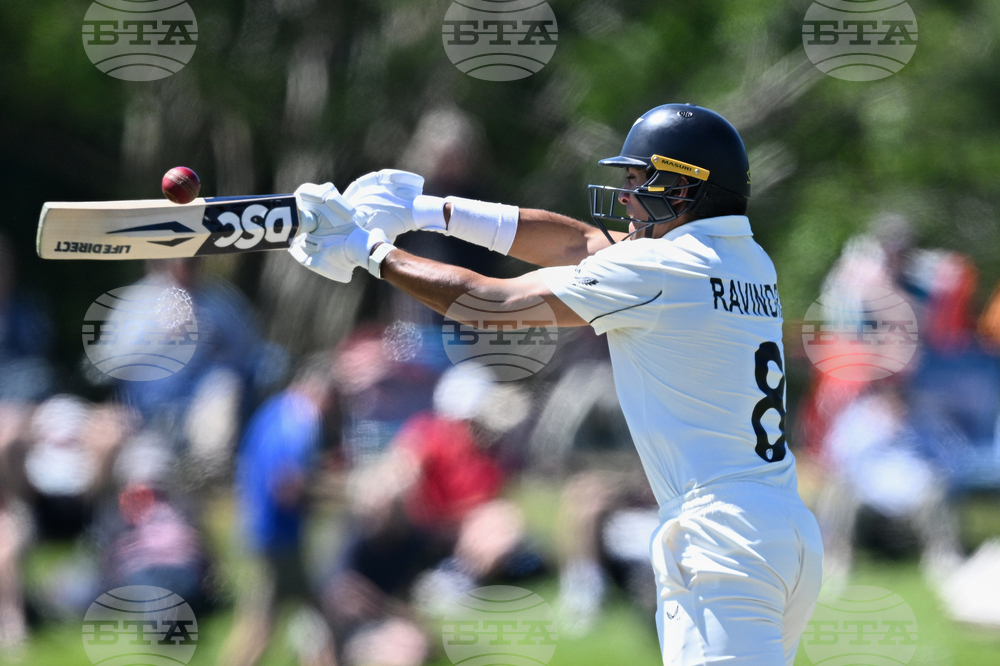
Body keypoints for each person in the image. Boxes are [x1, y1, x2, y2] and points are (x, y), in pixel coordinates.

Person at [287, 104, 823, 665]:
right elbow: (582, 244)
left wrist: (370, 251)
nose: (625, 196)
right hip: (783, 529)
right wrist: (429, 211)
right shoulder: (748, 259)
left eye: (638, 180)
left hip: (720, 538)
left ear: (683, 191)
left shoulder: (662, 269)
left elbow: (492, 304)